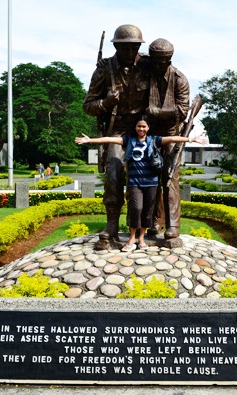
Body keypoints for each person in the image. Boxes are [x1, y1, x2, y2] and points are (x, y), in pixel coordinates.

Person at [75, 115, 208, 251]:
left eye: (144, 126)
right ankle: (132, 238)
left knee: (147, 211)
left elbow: (172, 138)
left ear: (148, 128)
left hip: (151, 182)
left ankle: (142, 239)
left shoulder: (154, 140)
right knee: (136, 209)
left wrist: (191, 139)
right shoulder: (130, 141)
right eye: (139, 126)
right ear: (135, 127)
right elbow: (110, 139)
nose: (141, 129)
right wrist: (90, 140)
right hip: (135, 182)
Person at [83, 24, 151, 246]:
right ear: (116, 47)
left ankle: (153, 223)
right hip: (118, 129)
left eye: (134, 48)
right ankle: (112, 224)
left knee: (154, 172)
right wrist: (106, 102)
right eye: (125, 48)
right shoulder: (104, 70)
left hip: (143, 128)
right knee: (113, 172)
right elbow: (88, 106)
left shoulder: (149, 66)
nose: (130, 53)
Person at [145, 38, 191, 240]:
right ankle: (155, 222)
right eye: (154, 60)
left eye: (162, 61)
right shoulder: (147, 70)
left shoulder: (180, 79)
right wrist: (105, 63)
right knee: (152, 178)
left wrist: (156, 112)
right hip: (151, 135)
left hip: (172, 134)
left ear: (169, 59)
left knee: (170, 177)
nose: (157, 65)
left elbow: (182, 111)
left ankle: (173, 225)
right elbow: (130, 57)